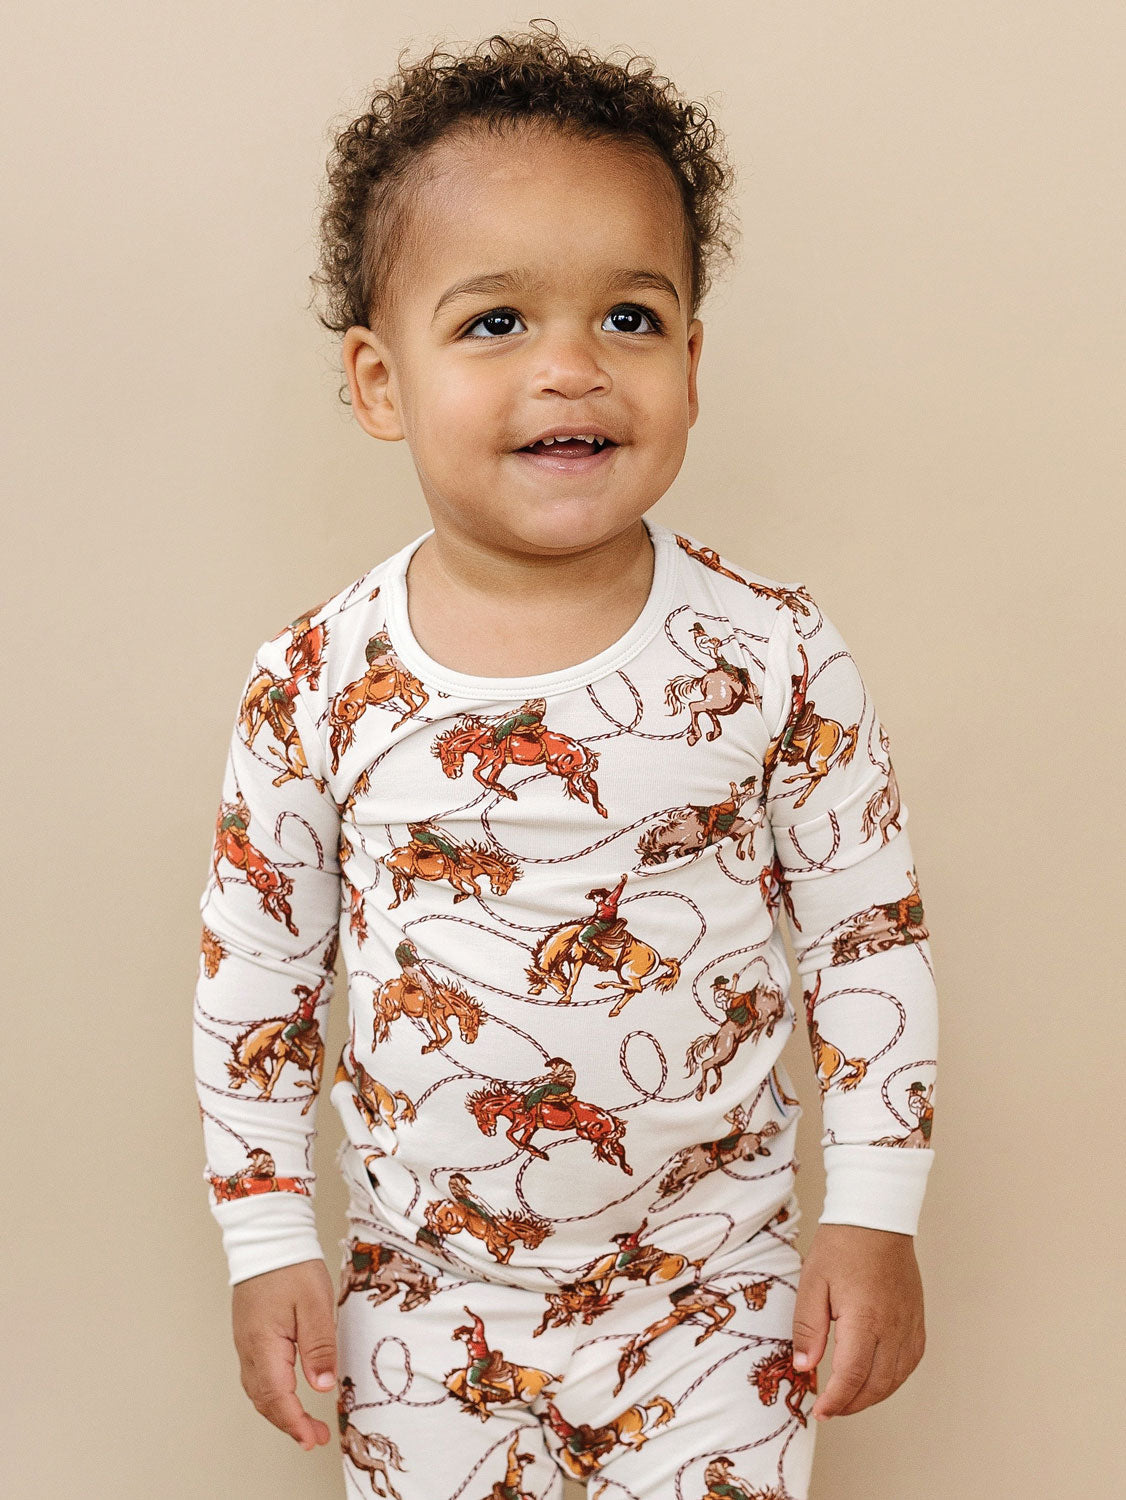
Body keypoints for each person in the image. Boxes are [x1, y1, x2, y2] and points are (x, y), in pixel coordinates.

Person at [193, 21, 939, 1499]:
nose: (572, 369)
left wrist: (875, 1211)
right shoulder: (313, 684)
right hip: (425, 1301)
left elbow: (869, 938)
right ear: (379, 382)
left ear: (692, 362)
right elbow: (256, 978)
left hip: (716, 1295)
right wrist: (266, 1234)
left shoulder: (776, 653)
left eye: (630, 317)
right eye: (494, 323)